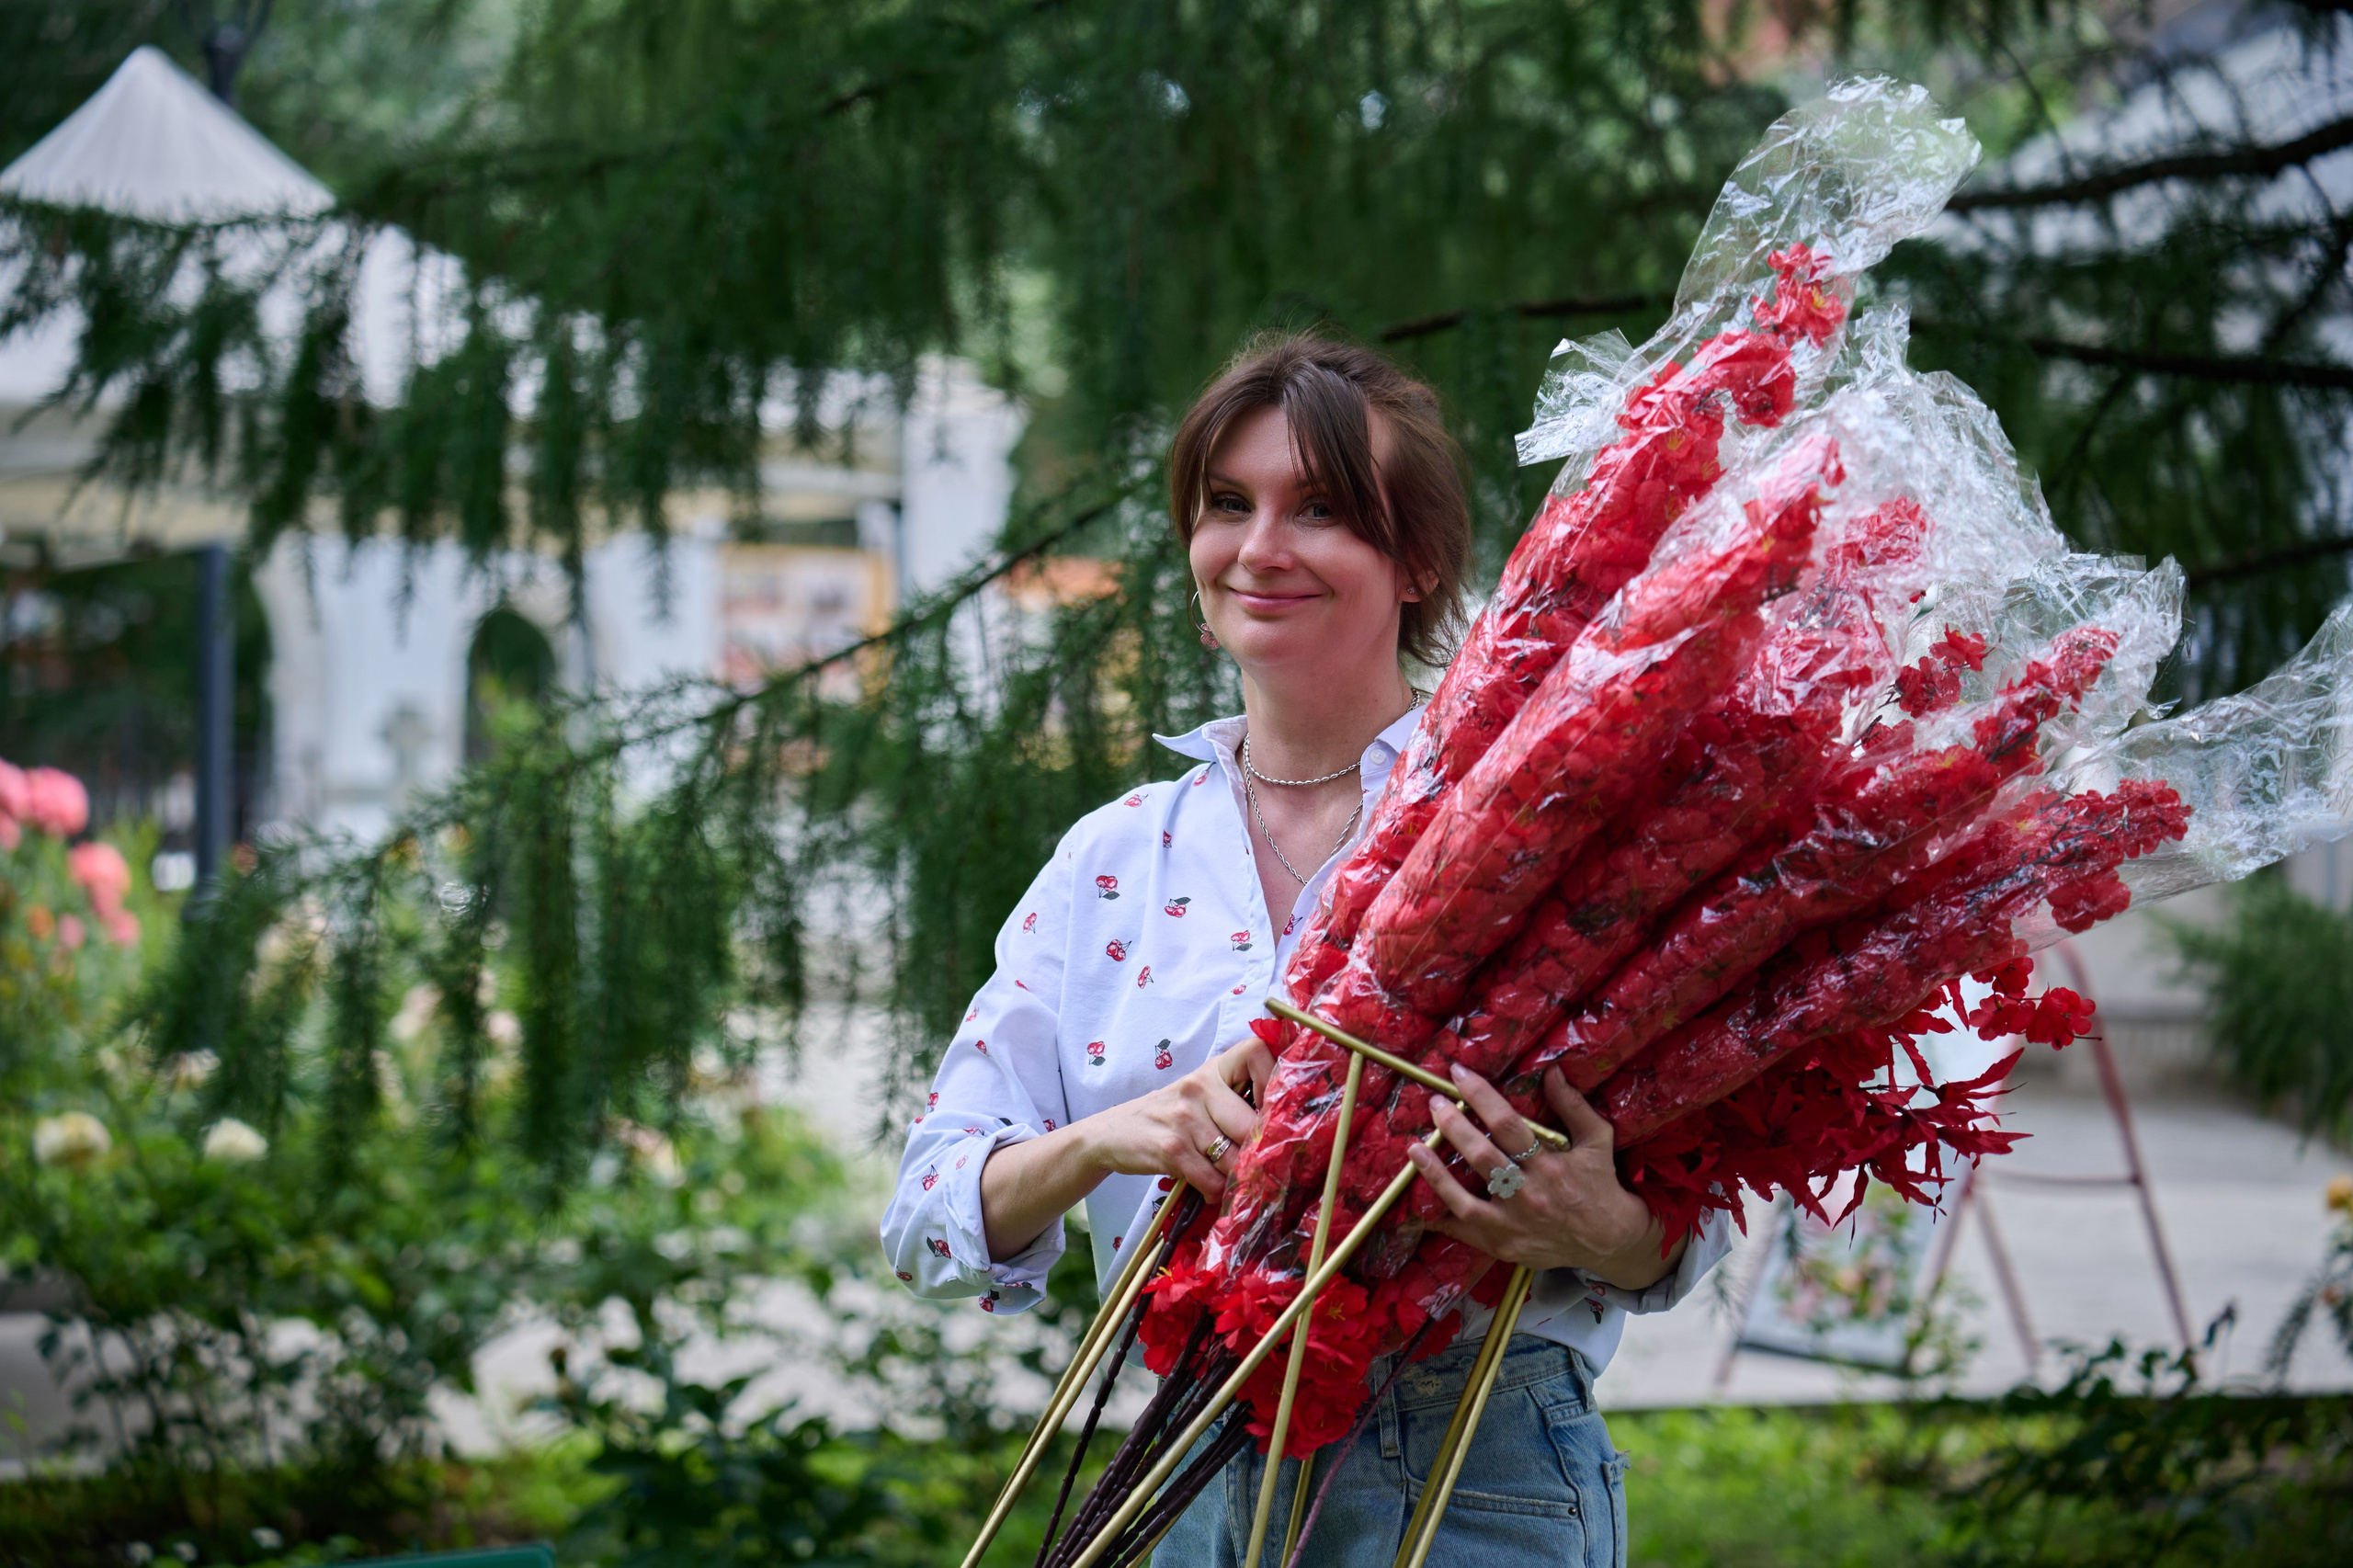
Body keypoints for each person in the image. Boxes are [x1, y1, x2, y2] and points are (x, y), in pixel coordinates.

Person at [881, 334, 1733, 1568]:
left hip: (1475, 1472)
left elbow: (1689, 1219)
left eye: (1321, 508)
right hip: (1180, 1462)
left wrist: (1602, 1228)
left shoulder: (1545, 816)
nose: (1261, 546)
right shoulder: (1116, 857)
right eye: (1228, 504)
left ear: (1419, 560)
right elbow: (927, 1213)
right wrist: (1112, 1136)